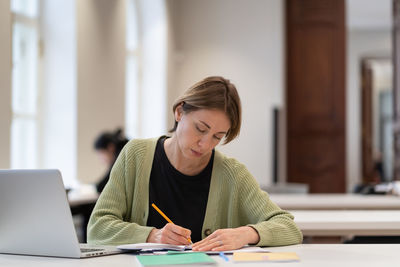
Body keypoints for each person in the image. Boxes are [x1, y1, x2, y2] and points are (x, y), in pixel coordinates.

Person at [87, 76, 303, 250]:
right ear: (179, 111)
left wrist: (245, 233)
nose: (205, 144)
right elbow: (97, 228)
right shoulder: (136, 155)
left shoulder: (232, 174)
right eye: (200, 129)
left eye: (218, 137)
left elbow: (289, 227)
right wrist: (153, 235)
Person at [93, 128, 129, 193]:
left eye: (101, 154)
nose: (101, 159)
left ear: (110, 147)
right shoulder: (125, 149)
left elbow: (101, 187)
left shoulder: (121, 155)